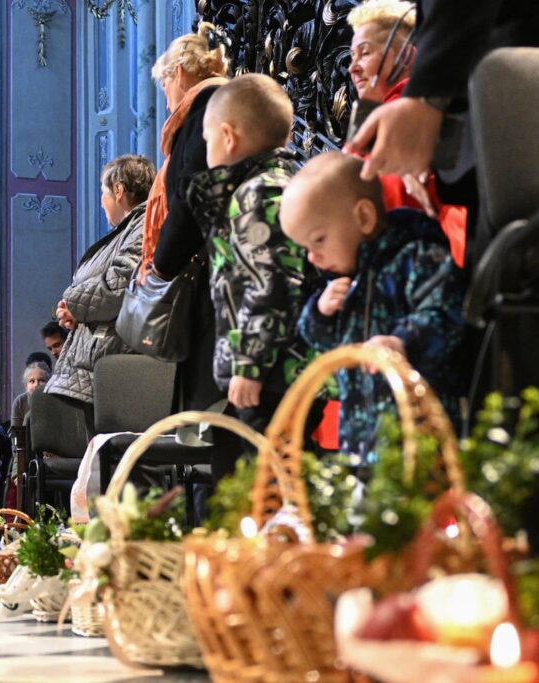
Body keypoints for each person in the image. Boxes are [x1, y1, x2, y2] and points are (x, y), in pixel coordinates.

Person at [281, 152, 466, 461]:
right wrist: (320, 313)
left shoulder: (415, 257)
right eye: (306, 249)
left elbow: (445, 314)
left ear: (363, 218)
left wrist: (402, 340)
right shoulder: (346, 283)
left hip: (419, 436)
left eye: (319, 240)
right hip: (361, 439)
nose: (313, 258)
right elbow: (324, 343)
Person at [186, 74, 318, 434]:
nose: (206, 149)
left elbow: (271, 283)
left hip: (274, 372)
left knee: (273, 473)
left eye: (207, 139)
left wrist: (249, 364)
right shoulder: (269, 186)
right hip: (276, 367)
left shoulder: (258, 194)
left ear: (228, 137)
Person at [146, 23, 230, 416]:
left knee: (212, 419)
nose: (165, 101)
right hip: (209, 276)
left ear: (179, 72)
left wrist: (160, 266)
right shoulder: (214, 106)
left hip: (206, 284)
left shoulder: (202, 111)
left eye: (163, 85)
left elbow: (189, 196)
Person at [346, 0, 468, 267]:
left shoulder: (406, 126)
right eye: (351, 57)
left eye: (364, 53)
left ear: (410, 55)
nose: (352, 67)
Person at [47, 154, 155, 414]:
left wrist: (73, 302)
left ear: (119, 190)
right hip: (96, 358)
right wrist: (80, 315)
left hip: (112, 360)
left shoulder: (141, 227)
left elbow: (119, 287)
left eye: (103, 192)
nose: (101, 201)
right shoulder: (128, 228)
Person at [9, 362, 50, 429]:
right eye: (32, 381)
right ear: (26, 386)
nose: (36, 385)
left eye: (41, 380)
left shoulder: (55, 400)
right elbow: (15, 434)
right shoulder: (19, 402)